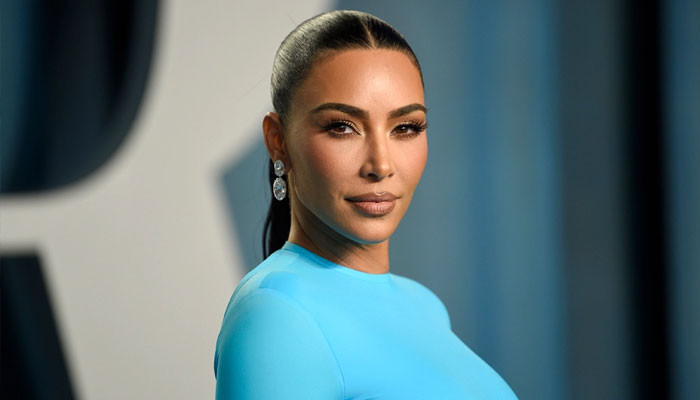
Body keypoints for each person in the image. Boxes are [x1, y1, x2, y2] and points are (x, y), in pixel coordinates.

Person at [214, 9, 517, 399]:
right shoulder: (274, 316)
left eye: (405, 127)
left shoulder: (425, 306)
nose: (381, 165)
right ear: (278, 141)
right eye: (342, 127)